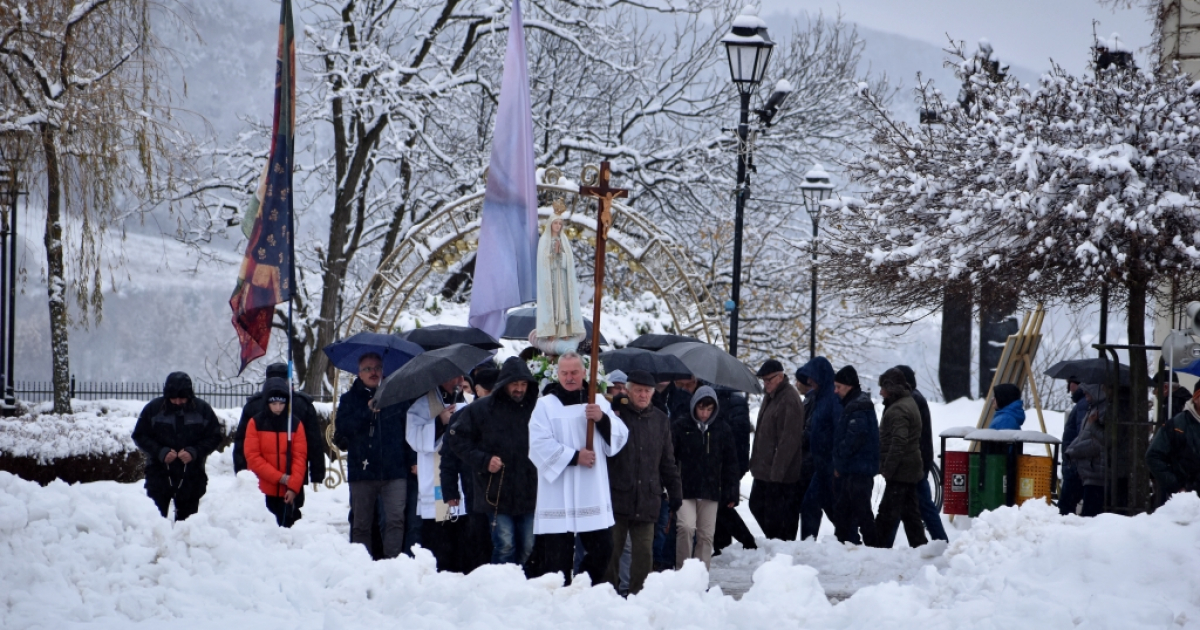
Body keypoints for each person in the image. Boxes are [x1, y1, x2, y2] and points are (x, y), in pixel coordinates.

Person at [528, 352, 629, 586]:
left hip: (590, 488)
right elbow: (538, 443)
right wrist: (575, 457)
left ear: (584, 373)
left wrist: (602, 419)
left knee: (603, 548)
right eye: (564, 373)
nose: (569, 377)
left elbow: (621, 435)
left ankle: (583, 588)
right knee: (556, 557)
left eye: (574, 372)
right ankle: (559, 594)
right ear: (557, 374)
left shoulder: (597, 401)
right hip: (558, 490)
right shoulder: (545, 405)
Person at [445, 357, 540, 566]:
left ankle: (525, 585)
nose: (519, 389)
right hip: (496, 489)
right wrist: (484, 460)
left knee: (528, 546)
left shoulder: (536, 408)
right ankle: (502, 584)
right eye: (514, 384)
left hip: (529, 489)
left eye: (523, 384)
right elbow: (456, 438)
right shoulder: (481, 409)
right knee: (504, 546)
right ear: (504, 383)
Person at [604, 370, 682, 594]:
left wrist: (675, 492)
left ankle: (639, 597)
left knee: (644, 555)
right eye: (638, 390)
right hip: (618, 495)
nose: (643, 395)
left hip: (648, 497)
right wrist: (612, 409)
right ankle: (607, 596)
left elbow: (667, 461)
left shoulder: (660, 420)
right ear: (628, 391)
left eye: (647, 391)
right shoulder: (617, 415)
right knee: (612, 552)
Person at [335, 353, 411, 559]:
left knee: (395, 521)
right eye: (368, 369)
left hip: (394, 470)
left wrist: (411, 460)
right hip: (363, 471)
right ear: (359, 373)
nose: (373, 372)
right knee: (361, 524)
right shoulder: (349, 399)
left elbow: (408, 431)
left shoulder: (396, 397)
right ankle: (362, 564)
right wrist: (367, 412)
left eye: (377, 367)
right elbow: (343, 429)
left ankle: (392, 563)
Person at [233, 362, 326, 521]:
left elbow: (306, 447)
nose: (278, 407)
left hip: (289, 478)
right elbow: (315, 442)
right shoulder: (300, 404)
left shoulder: (294, 409)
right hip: (268, 478)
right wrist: (317, 472)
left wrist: (241, 473)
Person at [131, 372, 224, 521]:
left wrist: (194, 452)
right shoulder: (153, 409)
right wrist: (160, 452)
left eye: (182, 398)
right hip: (159, 475)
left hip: (191, 476)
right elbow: (140, 435)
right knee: (155, 522)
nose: (178, 402)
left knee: (187, 524)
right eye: (174, 398)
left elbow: (214, 436)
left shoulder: (202, 410)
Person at [439, 366, 500, 572]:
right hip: (473, 485)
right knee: (478, 537)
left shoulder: (508, 414)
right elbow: (448, 457)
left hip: (504, 488)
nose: (491, 396)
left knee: (503, 540)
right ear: (477, 390)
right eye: (487, 390)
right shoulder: (461, 416)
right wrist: (450, 491)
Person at [672, 386, 739, 569]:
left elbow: (731, 463)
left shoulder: (722, 429)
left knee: (706, 535)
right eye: (701, 408)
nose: (704, 414)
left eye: (709, 409)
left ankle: (701, 574)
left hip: (711, 490)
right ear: (694, 405)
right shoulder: (680, 426)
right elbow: (670, 458)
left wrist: (732, 491)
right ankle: (683, 571)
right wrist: (670, 486)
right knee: (686, 527)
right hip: (685, 488)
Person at [407, 375, 469, 572]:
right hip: (436, 482)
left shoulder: (470, 402)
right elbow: (413, 438)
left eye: (461, 375)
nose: (459, 380)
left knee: (464, 544)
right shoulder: (422, 405)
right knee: (440, 545)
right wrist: (440, 422)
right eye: (454, 376)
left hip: (465, 482)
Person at [885, 366, 948, 543]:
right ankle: (936, 541)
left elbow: (904, 436)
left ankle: (938, 541)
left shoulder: (909, 401)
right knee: (910, 504)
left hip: (911, 463)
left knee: (904, 504)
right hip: (916, 461)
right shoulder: (914, 398)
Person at [748, 359, 806, 541]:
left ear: (780, 377)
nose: (765, 384)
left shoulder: (789, 399)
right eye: (763, 380)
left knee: (778, 516)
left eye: (769, 380)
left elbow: (788, 441)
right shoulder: (771, 396)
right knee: (758, 506)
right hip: (764, 469)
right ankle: (776, 542)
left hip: (779, 474)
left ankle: (782, 545)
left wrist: (777, 474)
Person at [872, 367, 928, 548]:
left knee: (886, 515)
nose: (880, 392)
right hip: (909, 468)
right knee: (911, 514)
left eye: (883, 388)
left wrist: (888, 468)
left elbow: (899, 442)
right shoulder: (907, 402)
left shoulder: (898, 409)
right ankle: (921, 547)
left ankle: (876, 550)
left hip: (901, 471)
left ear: (892, 388)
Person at [243, 377, 308, 527]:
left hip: (287, 492)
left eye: (281, 403)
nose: (278, 408)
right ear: (267, 403)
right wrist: (280, 478)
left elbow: (300, 457)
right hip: (262, 491)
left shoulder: (295, 424)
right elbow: (253, 457)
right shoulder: (256, 423)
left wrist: (293, 487)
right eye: (274, 404)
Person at [831, 366, 879, 546]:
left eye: (838, 387)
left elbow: (854, 439)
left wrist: (839, 460)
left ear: (849, 385)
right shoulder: (855, 404)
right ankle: (849, 547)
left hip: (858, 471)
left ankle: (873, 549)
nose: (836, 391)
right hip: (855, 469)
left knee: (860, 513)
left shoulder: (857, 406)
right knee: (846, 513)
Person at [796, 357, 837, 541]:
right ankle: (848, 539)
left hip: (828, 462)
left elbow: (834, 430)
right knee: (818, 505)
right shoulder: (820, 398)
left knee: (816, 504)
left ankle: (851, 539)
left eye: (811, 378)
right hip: (820, 463)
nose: (809, 381)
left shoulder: (831, 399)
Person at [712, 386, 757, 553]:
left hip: (727, 463)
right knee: (719, 506)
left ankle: (747, 543)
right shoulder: (734, 400)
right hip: (729, 462)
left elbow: (737, 437)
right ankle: (723, 547)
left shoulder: (726, 402)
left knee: (722, 506)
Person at [1147, 381, 1200, 501]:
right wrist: (1176, 486)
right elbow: (1153, 456)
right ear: (1196, 398)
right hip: (1187, 500)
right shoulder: (1177, 425)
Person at [1065, 383, 1107, 517]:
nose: (1084, 392)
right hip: (1088, 471)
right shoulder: (1092, 408)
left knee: (1090, 515)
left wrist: (1073, 451)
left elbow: (1099, 442)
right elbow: (1083, 435)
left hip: (1095, 472)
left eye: (1088, 388)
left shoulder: (1102, 411)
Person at [1058, 380, 1088, 515]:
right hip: (1075, 462)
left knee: (1066, 506)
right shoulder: (1082, 404)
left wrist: (1070, 454)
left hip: (1075, 463)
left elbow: (1083, 434)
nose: (1070, 386)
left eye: (1074, 382)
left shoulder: (1083, 405)